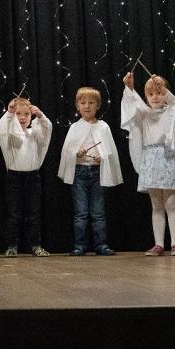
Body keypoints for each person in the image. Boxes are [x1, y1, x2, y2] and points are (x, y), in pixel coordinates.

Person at [123, 73, 175, 256]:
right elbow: (132, 103)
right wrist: (129, 87)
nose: (155, 96)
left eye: (159, 92)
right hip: (150, 161)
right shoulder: (144, 113)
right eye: (151, 93)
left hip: (168, 159)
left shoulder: (171, 111)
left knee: (172, 204)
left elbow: (174, 101)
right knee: (156, 205)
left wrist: (163, 87)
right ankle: (159, 244)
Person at [58, 86, 122, 256]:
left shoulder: (103, 127)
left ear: (98, 105)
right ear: (77, 106)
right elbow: (67, 151)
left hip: (97, 173)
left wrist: (103, 157)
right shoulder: (74, 127)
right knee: (81, 213)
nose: (87, 106)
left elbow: (110, 152)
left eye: (91, 102)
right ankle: (79, 245)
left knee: (98, 213)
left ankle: (101, 245)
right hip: (79, 173)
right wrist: (76, 153)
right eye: (83, 103)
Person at [0, 95, 53, 257]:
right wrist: (9, 112)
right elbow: (1, 128)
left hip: (32, 178)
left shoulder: (34, 133)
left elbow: (47, 129)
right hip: (14, 178)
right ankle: (12, 246)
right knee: (14, 214)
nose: (22, 117)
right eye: (18, 114)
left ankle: (35, 246)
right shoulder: (10, 134)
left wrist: (40, 115)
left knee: (33, 214)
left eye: (26, 114)